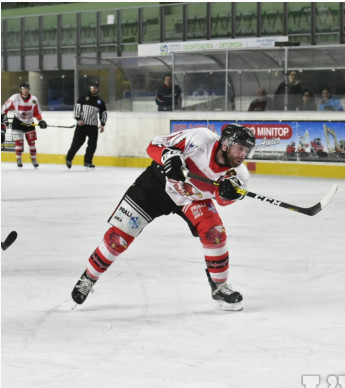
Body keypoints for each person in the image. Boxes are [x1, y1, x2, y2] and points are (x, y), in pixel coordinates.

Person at [70, 124, 256, 311]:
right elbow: (153, 146)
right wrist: (168, 157)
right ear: (226, 144)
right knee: (118, 238)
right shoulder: (200, 138)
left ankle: (219, 286)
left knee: (214, 233)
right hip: (156, 185)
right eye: (240, 148)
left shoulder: (239, 175)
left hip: (191, 198)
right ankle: (88, 277)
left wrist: (229, 194)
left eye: (247, 150)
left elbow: (223, 201)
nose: (243, 154)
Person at [1, 82, 47, 168]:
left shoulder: (34, 99)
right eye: (23, 88)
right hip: (17, 122)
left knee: (32, 142)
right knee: (19, 142)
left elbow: (37, 112)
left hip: (29, 123)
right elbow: (4, 108)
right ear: (20, 89)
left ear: (29, 89)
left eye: (26, 88)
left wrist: (40, 120)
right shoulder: (15, 98)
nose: (25, 90)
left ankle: (34, 159)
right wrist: (4, 118)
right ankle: (19, 159)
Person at [66, 80, 108, 169]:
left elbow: (103, 113)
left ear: (98, 89)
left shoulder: (100, 102)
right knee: (77, 143)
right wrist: (78, 119)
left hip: (93, 126)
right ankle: (69, 159)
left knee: (92, 144)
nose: (94, 89)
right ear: (90, 88)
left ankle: (88, 161)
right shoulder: (83, 98)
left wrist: (102, 124)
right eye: (93, 87)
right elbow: (77, 108)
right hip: (82, 125)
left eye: (96, 88)